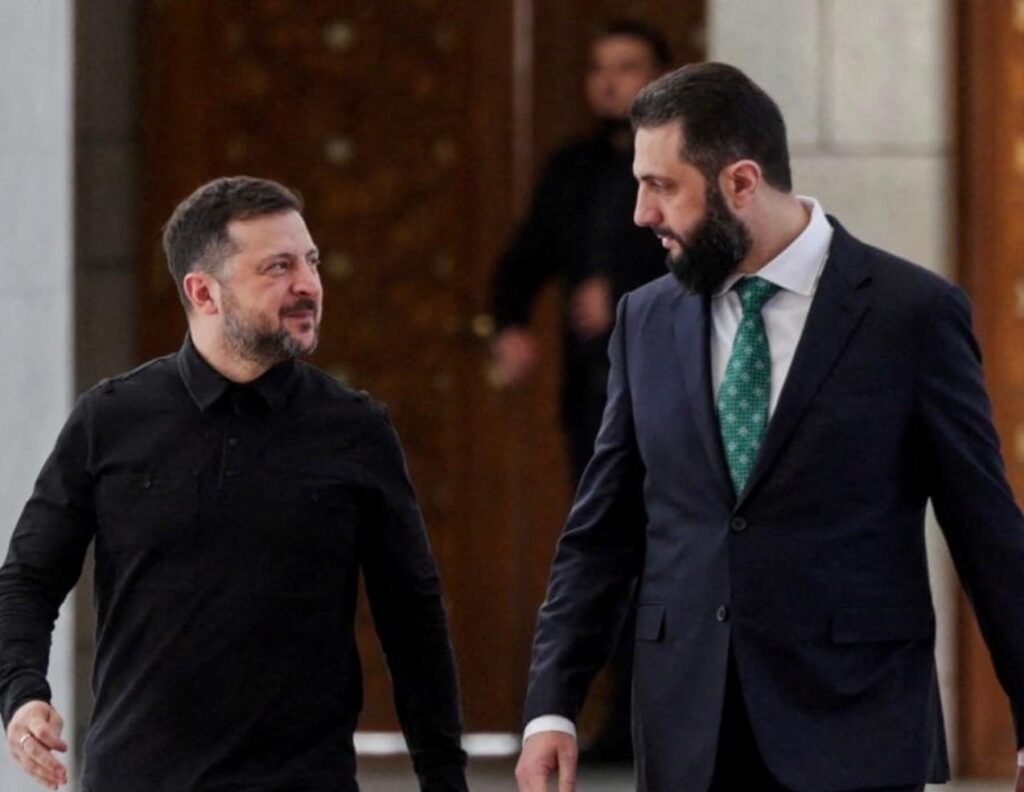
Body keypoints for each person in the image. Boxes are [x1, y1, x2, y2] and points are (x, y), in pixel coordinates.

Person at [515, 62, 1024, 792]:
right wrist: (551, 708)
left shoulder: (912, 314)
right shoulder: (645, 319)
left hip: (855, 726)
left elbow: (987, 533)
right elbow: (601, 535)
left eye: (662, 186)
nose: (641, 214)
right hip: (688, 736)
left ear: (741, 183)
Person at [0, 176, 468, 791]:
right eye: (278, 267)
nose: (308, 284)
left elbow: (411, 616)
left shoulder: (355, 430)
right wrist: (22, 694)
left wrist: (444, 779)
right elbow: (28, 578)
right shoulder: (109, 420)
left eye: (310, 261)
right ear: (204, 292)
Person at [490, 20, 670, 763]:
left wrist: (619, 291)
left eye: (626, 66)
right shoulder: (572, 168)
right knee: (606, 551)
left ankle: (657, 722)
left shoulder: (684, 164)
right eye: (599, 67)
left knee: (668, 555)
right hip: (595, 396)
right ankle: (615, 720)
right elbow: (528, 253)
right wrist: (509, 323)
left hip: (674, 392)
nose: (609, 81)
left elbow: (707, 260)